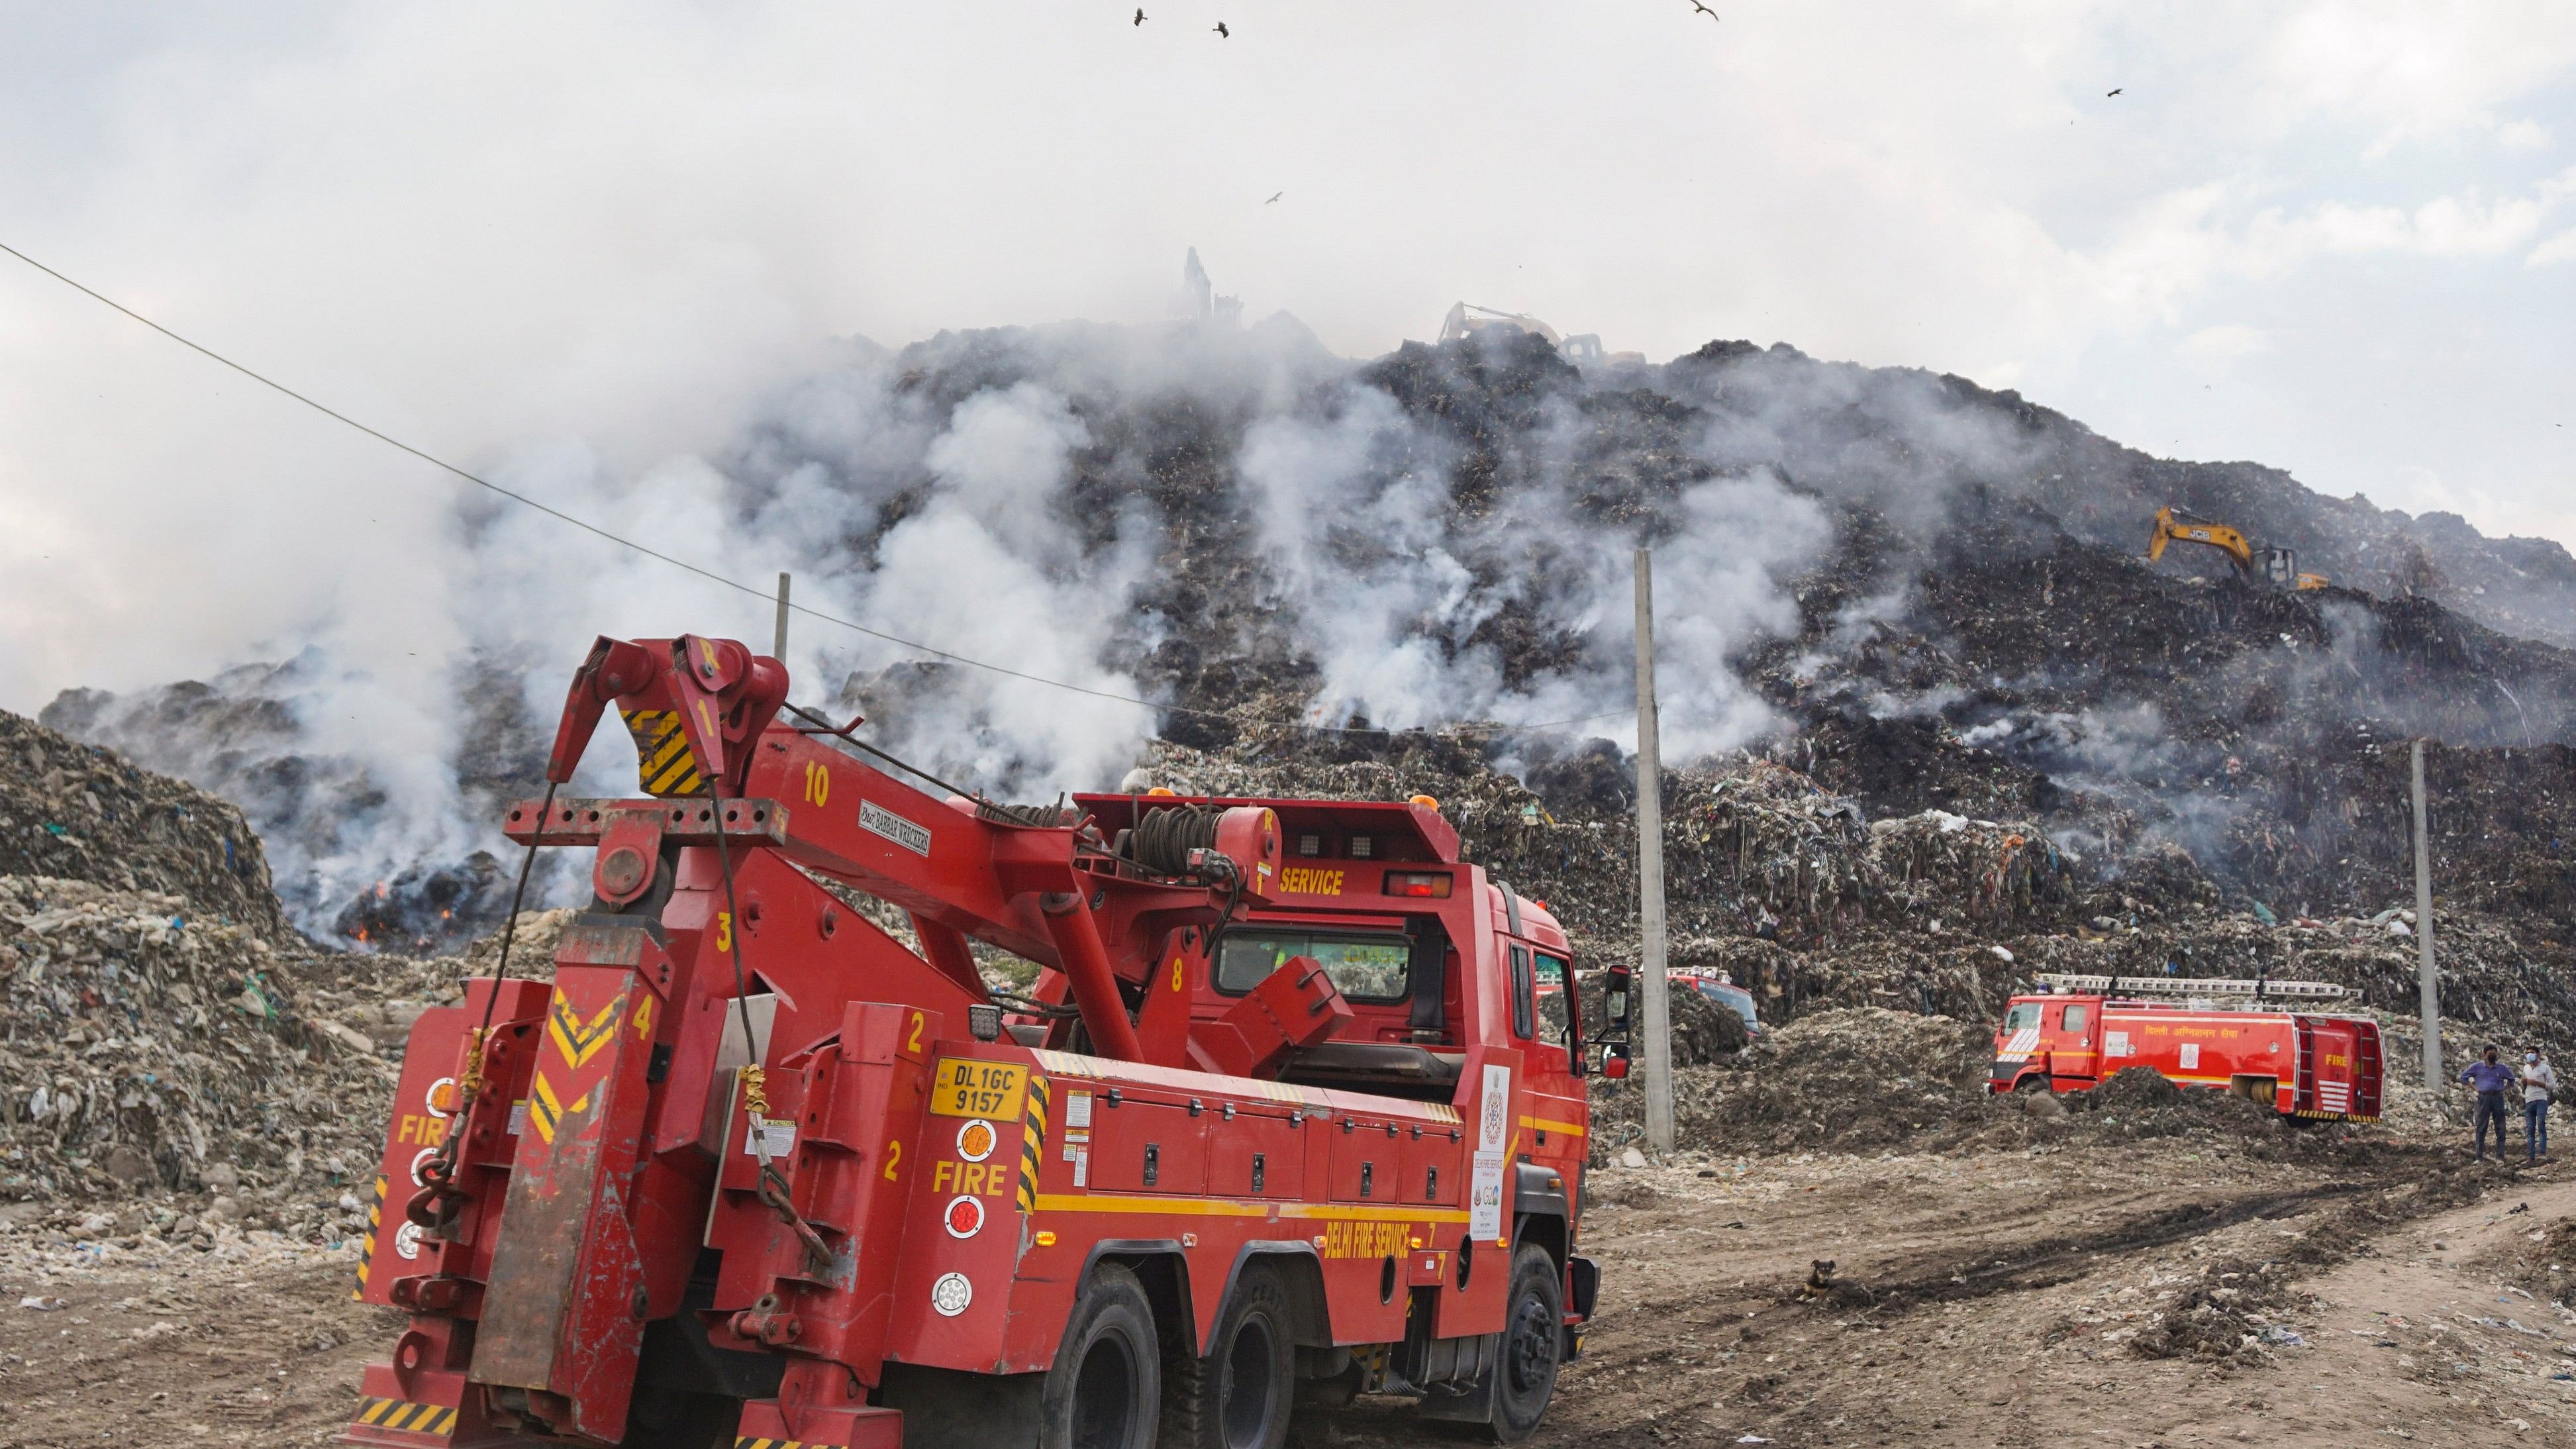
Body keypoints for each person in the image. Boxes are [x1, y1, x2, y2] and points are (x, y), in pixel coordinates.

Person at [2461, 1046, 2518, 1161]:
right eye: (2490, 1053)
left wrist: (2503, 1088)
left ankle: (2500, 1157)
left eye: (2494, 1053)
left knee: (2500, 1127)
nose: (2493, 1056)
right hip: (2484, 1097)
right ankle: (2479, 1156)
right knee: (2481, 1127)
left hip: (2498, 1097)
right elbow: (2464, 1078)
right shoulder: (2477, 1067)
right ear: (2484, 1055)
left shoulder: (2502, 1068)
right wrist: (2475, 1088)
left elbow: (2512, 1080)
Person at [2522, 1050, 2557, 1163]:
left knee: (2541, 1125)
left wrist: (2538, 1083)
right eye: (2528, 1052)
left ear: (2538, 1054)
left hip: (2541, 1100)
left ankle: (2542, 1152)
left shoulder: (2545, 1068)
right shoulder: (2526, 1068)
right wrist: (2525, 1082)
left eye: (2532, 1052)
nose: (2530, 1054)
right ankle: (2531, 1155)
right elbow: (2524, 1084)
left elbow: (2552, 1085)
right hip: (2529, 1100)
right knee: (2530, 1128)